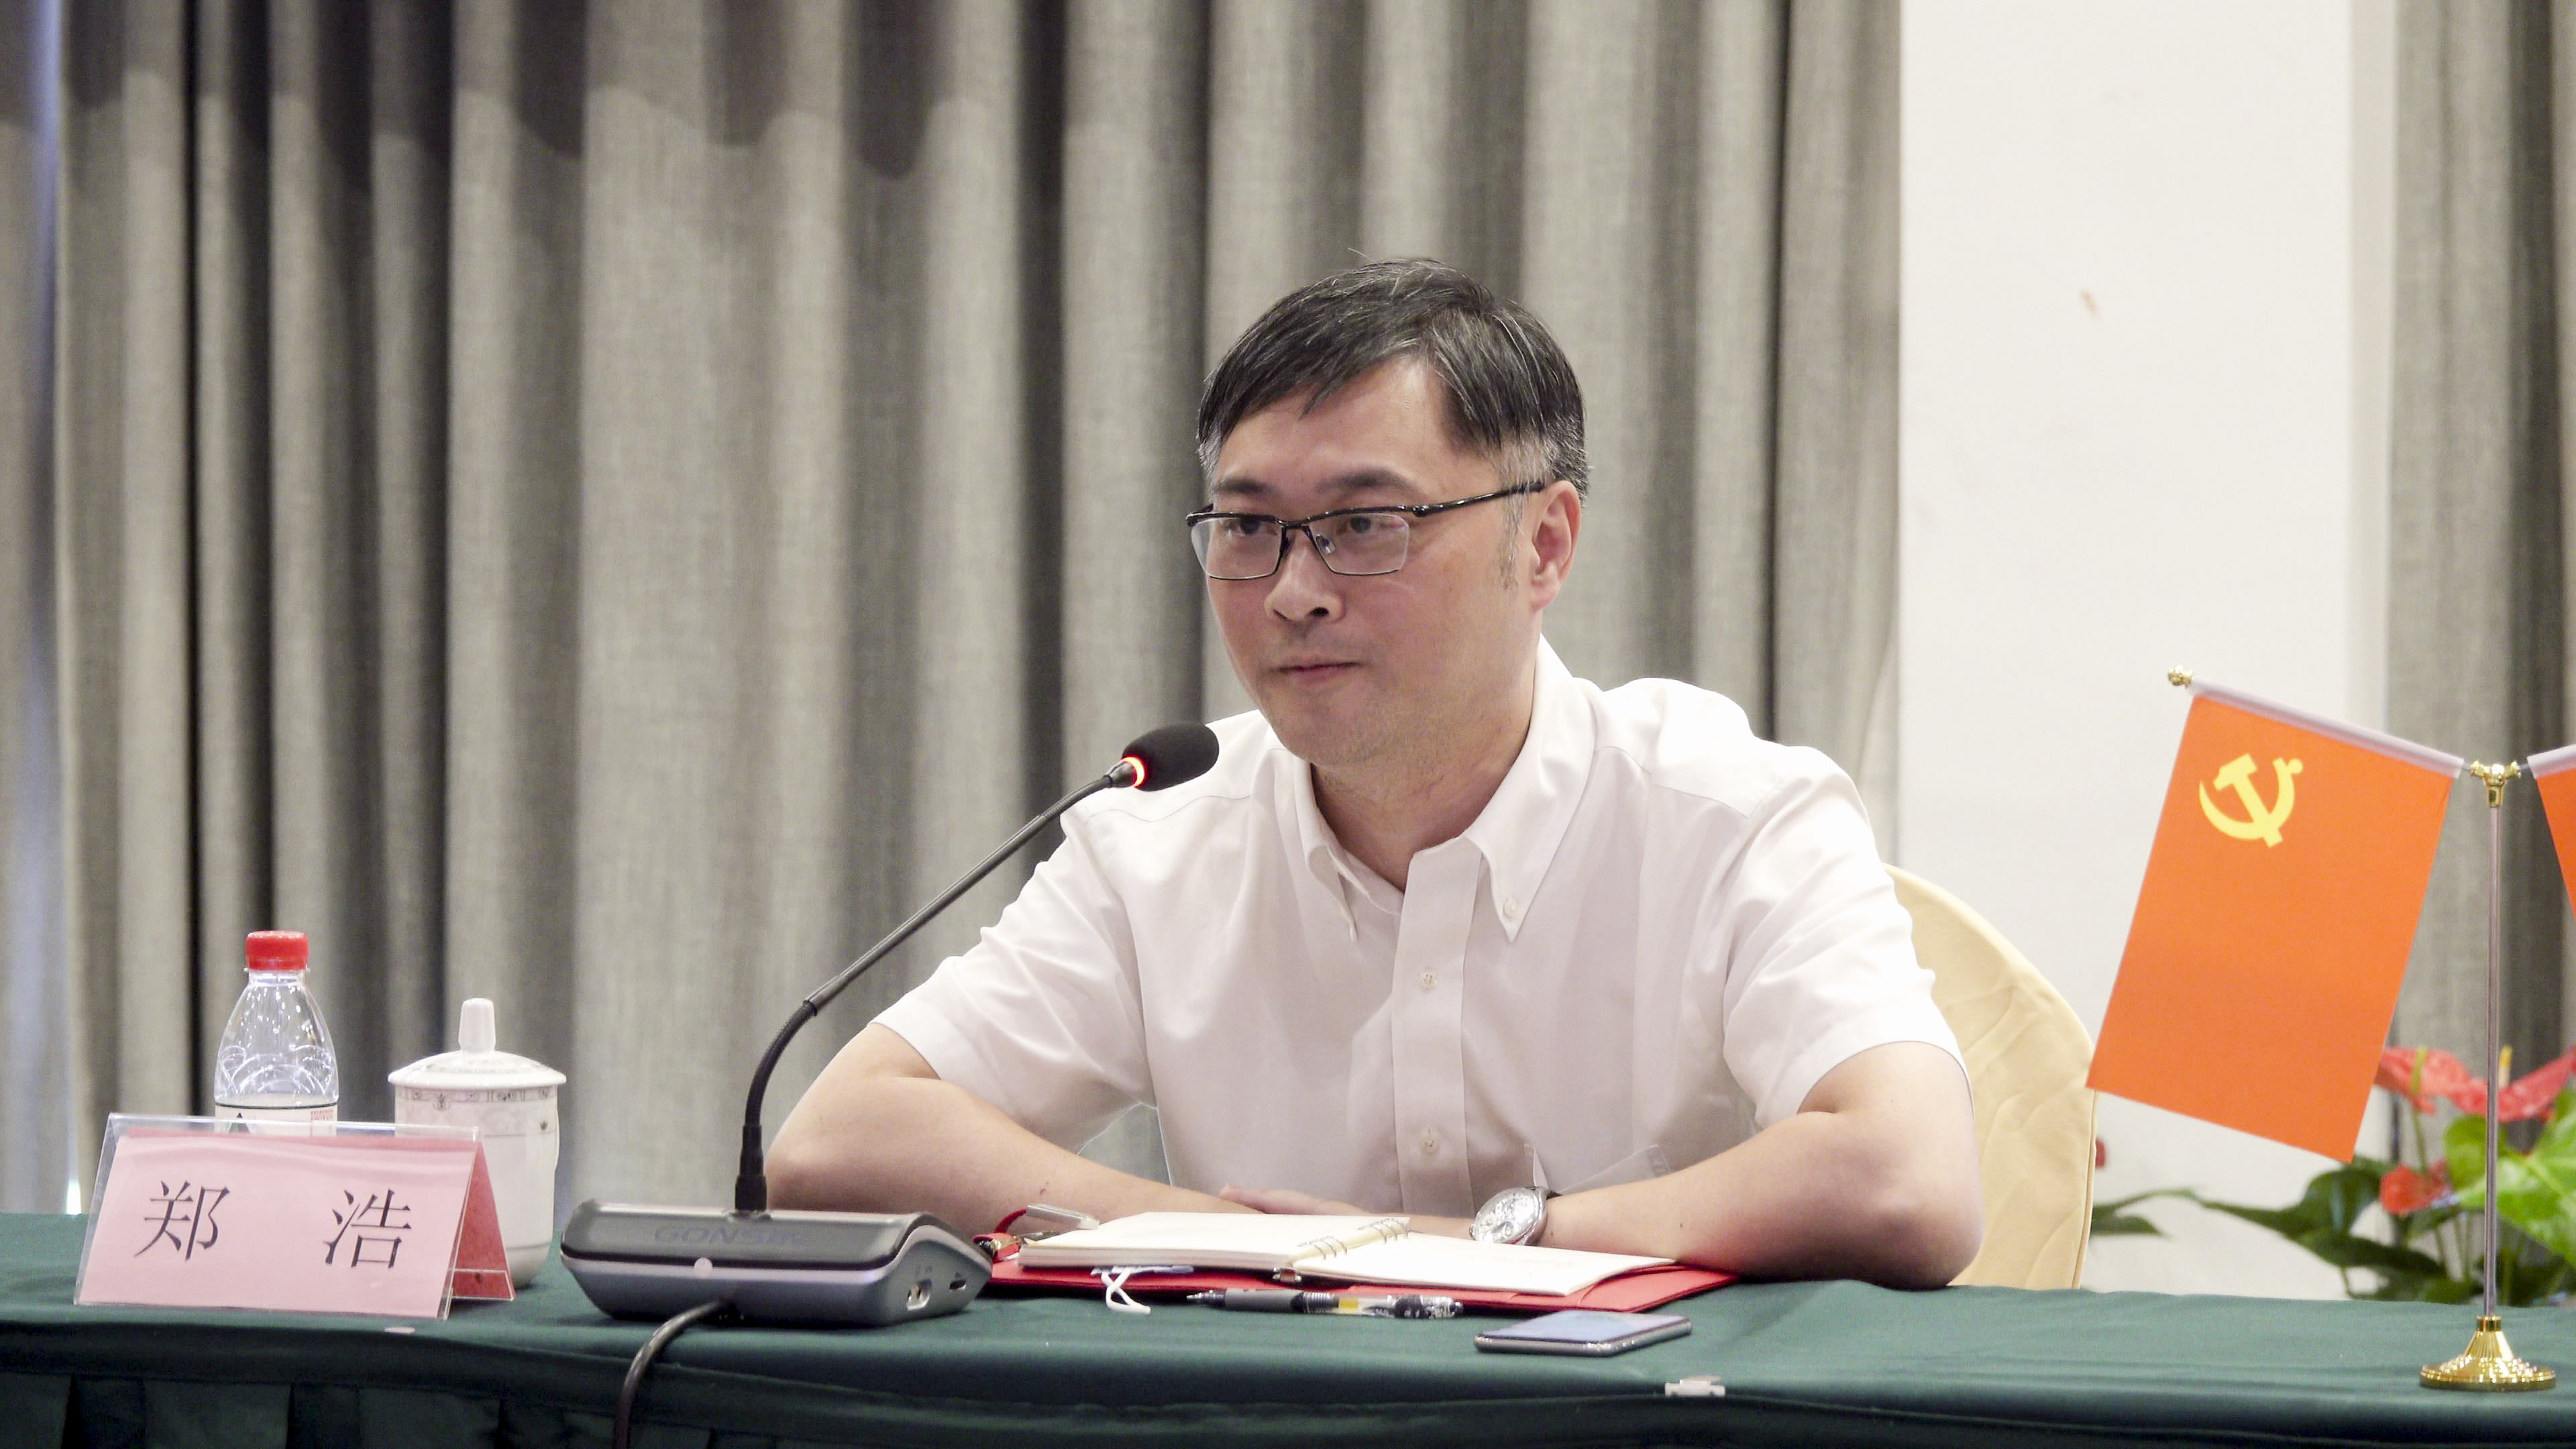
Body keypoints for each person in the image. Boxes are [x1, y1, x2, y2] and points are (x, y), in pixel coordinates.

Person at [770, 258, 1981, 1287]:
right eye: (1249, 528)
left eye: (1365, 526)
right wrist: (1230, 1241)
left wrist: (1475, 1246)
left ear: (1545, 543)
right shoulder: (1160, 839)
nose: (1293, 591)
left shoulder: (1732, 816)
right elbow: (837, 1144)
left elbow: (1910, 1179)